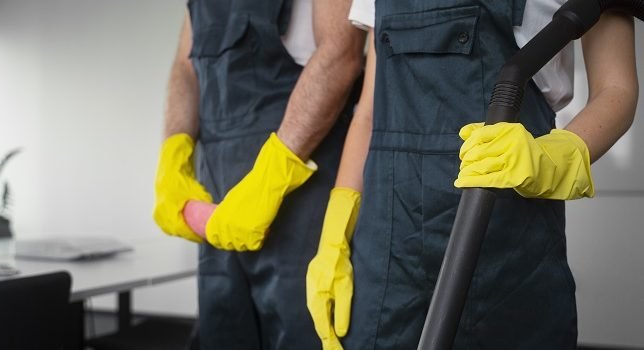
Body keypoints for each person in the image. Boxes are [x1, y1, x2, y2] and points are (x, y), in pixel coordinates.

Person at [306, 0, 638, 349]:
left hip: (507, 239)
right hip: (387, 245)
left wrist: (554, 159)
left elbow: (617, 89)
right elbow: (370, 113)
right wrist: (335, 233)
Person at [152, 0, 366, 349]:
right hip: (219, 198)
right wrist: (173, 155)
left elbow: (341, 55)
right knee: (223, 332)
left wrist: (272, 174)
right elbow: (185, 65)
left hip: (301, 190)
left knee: (305, 334)